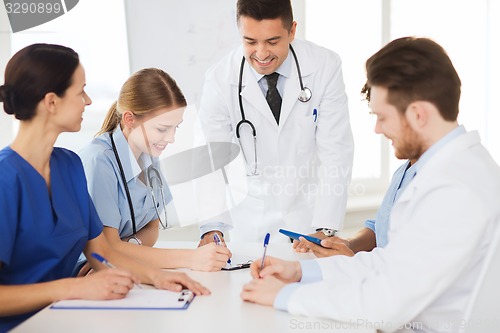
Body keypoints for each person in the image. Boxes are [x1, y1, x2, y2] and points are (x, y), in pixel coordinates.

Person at [240, 37, 500, 331]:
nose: (377, 129)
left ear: (418, 114)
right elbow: (385, 264)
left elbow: (385, 302)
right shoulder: (447, 171)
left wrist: (285, 296)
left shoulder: (456, 188)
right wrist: (299, 272)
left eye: (383, 117)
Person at [0, 44, 209, 332]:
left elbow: (104, 252)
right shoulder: (5, 179)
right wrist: (70, 288)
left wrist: (155, 277)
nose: (88, 101)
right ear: (52, 102)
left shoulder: (69, 165)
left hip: (67, 316)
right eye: (80, 91)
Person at [197, 0, 354, 247]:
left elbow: (336, 150)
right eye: (250, 42)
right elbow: (212, 160)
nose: (261, 54)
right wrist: (211, 229)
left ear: (292, 31)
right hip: (251, 225)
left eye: (272, 42)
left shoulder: (324, 65)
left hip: (310, 219)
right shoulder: (219, 79)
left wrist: (326, 226)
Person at [77, 68, 231, 275]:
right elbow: (108, 248)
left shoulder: (148, 155)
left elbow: (151, 229)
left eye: (176, 127)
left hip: (125, 266)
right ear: (130, 119)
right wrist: (191, 258)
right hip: (91, 272)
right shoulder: (100, 160)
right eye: (162, 129)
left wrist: (129, 247)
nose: (171, 139)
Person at [298, 159, 414, 257]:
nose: (378, 131)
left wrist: (353, 262)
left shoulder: (426, 182)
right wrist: (348, 244)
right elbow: (381, 228)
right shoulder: (401, 172)